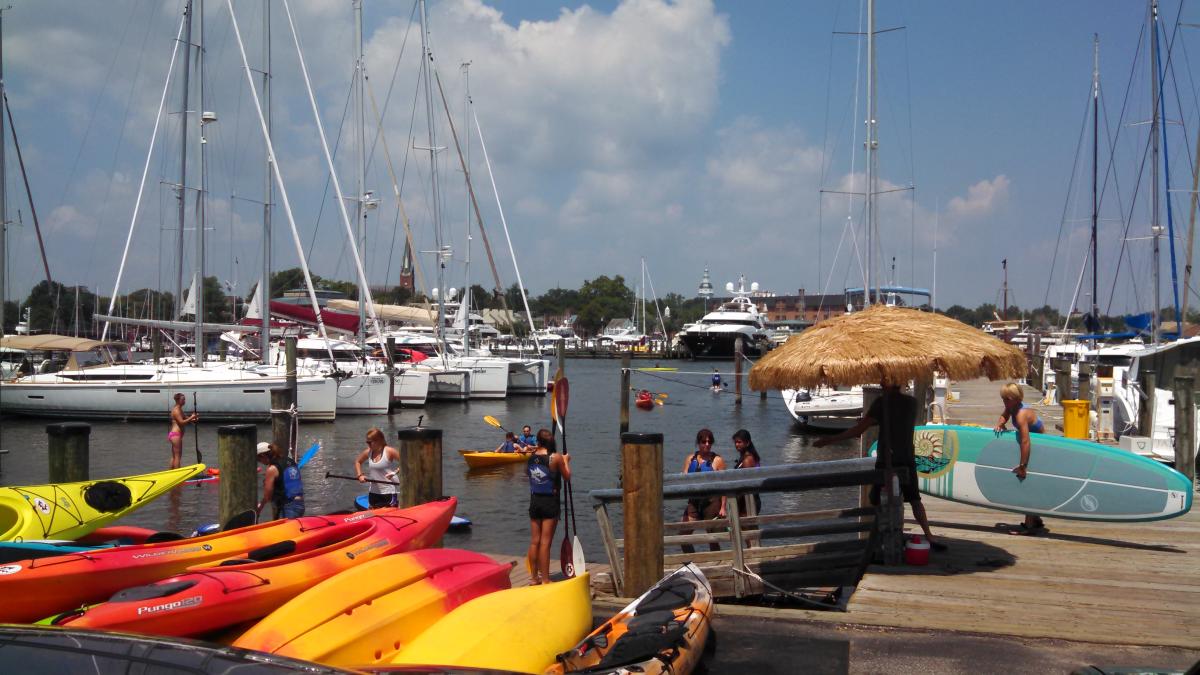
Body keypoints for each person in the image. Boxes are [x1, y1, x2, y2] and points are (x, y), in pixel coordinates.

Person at [814, 378, 946, 551]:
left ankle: (879, 537)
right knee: (915, 500)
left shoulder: (881, 403)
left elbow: (859, 430)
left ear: (890, 383)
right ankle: (929, 535)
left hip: (887, 459)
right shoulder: (912, 402)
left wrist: (829, 440)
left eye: (884, 381)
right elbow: (895, 419)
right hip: (907, 457)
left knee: (876, 499)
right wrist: (876, 419)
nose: (881, 383)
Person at [994, 382, 1047, 535]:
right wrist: (1000, 424)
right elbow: (1004, 415)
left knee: (1026, 480)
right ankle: (1035, 519)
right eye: (1003, 399)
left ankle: (1029, 526)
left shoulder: (1021, 414)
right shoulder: (1012, 407)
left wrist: (1023, 465)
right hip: (1033, 441)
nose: (1005, 402)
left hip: (1039, 445)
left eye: (1007, 399)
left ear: (1016, 399)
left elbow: (1025, 441)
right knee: (1028, 481)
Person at [527, 428, 570, 585]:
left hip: (534, 501)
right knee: (545, 543)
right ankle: (545, 579)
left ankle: (533, 578)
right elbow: (567, 477)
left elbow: (529, 475)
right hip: (550, 502)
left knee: (534, 542)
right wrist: (566, 460)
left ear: (538, 441)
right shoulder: (555, 457)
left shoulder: (531, 458)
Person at [680, 428, 726, 554]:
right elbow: (683, 477)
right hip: (694, 501)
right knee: (683, 534)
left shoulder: (717, 460)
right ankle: (693, 561)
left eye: (709, 442)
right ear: (698, 443)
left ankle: (717, 562)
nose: (707, 445)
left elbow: (725, 485)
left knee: (712, 538)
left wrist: (723, 507)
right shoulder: (690, 458)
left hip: (711, 502)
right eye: (704, 442)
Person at [255, 442, 305, 520]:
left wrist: (260, 506)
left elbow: (267, 496)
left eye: (258, 459)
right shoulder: (290, 461)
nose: (260, 462)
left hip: (288, 506)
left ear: (263, 455)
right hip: (300, 503)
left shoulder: (272, 469)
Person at [354, 428, 400, 509]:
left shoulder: (389, 451)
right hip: (373, 492)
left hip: (388, 492)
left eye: (369, 442)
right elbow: (358, 461)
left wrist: (395, 472)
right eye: (367, 442)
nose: (367, 444)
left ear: (378, 440)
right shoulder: (368, 452)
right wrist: (360, 475)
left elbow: (406, 462)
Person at [732, 429, 763, 515]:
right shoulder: (747, 456)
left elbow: (747, 483)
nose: (736, 445)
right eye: (735, 442)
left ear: (747, 443)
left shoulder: (747, 460)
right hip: (747, 500)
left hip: (749, 501)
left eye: (739, 442)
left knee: (748, 527)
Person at [168, 393, 198, 469]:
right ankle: (177, 474)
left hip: (175, 435)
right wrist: (191, 417)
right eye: (183, 399)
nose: (184, 401)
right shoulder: (176, 410)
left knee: (175, 456)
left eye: (184, 399)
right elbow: (181, 422)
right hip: (176, 435)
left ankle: (170, 472)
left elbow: (185, 418)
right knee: (178, 456)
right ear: (178, 400)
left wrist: (193, 419)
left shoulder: (179, 409)